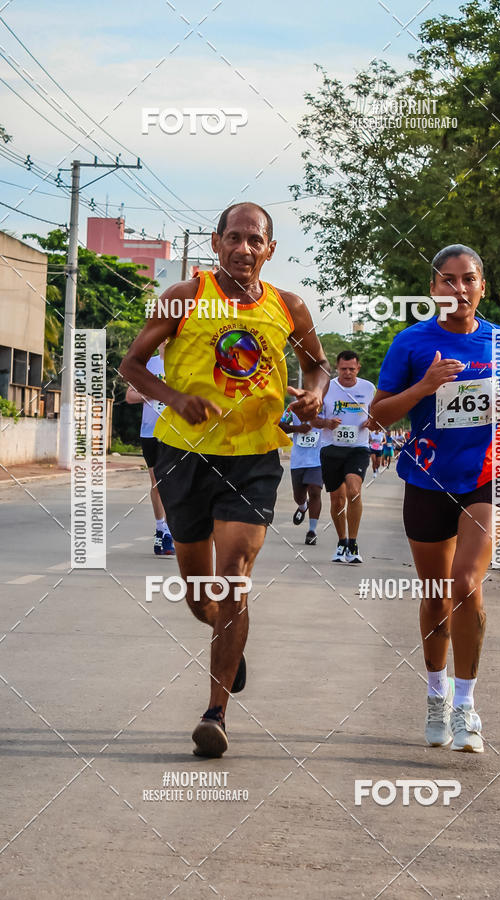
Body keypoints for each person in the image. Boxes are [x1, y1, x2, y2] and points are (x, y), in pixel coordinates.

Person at [120, 202, 329, 758]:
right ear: (216, 244)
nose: (243, 248)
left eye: (254, 240)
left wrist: (313, 393)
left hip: (255, 456)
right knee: (200, 595)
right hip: (182, 454)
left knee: (234, 575)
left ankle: (215, 713)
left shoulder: (289, 306)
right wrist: (175, 398)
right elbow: (133, 365)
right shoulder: (185, 297)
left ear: (270, 249)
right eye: (233, 238)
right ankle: (225, 639)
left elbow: (316, 364)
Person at [371, 244, 500, 753]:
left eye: (467, 279)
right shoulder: (411, 342)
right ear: (432, 289)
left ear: (482, 286)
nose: (457, 289)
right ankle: (436, 692)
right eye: (447, 280)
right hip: (427, 479)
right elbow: (376, 417)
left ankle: (466, 706)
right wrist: (424, 387)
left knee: (466, 583)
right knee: (437, 593)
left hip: (487, 477)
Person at [313, 350, 375, 564]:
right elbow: (313, 420)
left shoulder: (368, 388)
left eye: (351, 369)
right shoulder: (327, 387)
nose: (347, 373)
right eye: (343, 369)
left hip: (358, 448)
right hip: (331, 447)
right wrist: (326, 423)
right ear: (337, 368)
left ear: (358, 368)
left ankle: (354, 543)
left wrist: (371, 422)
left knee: (354, 491)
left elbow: (377, 414)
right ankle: (342, 542)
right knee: (337, 499)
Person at [125, 341, 175, 556]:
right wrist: (150, 394)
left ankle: (171, 530)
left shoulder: (183, 365)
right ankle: (161, 529)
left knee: (173, 481)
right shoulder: (148, 365)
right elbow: (129, 396)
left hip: (176, 433)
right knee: (157, 481)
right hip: (150, 432)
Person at [280, 407, 323, 544]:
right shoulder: (293, 408)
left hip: (318, 459)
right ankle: (303, 506)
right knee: (298, 496)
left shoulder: (326, 406)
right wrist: (298, 428)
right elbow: (280, 425)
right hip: (298, 461)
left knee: (315, 492)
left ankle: (312, 531)